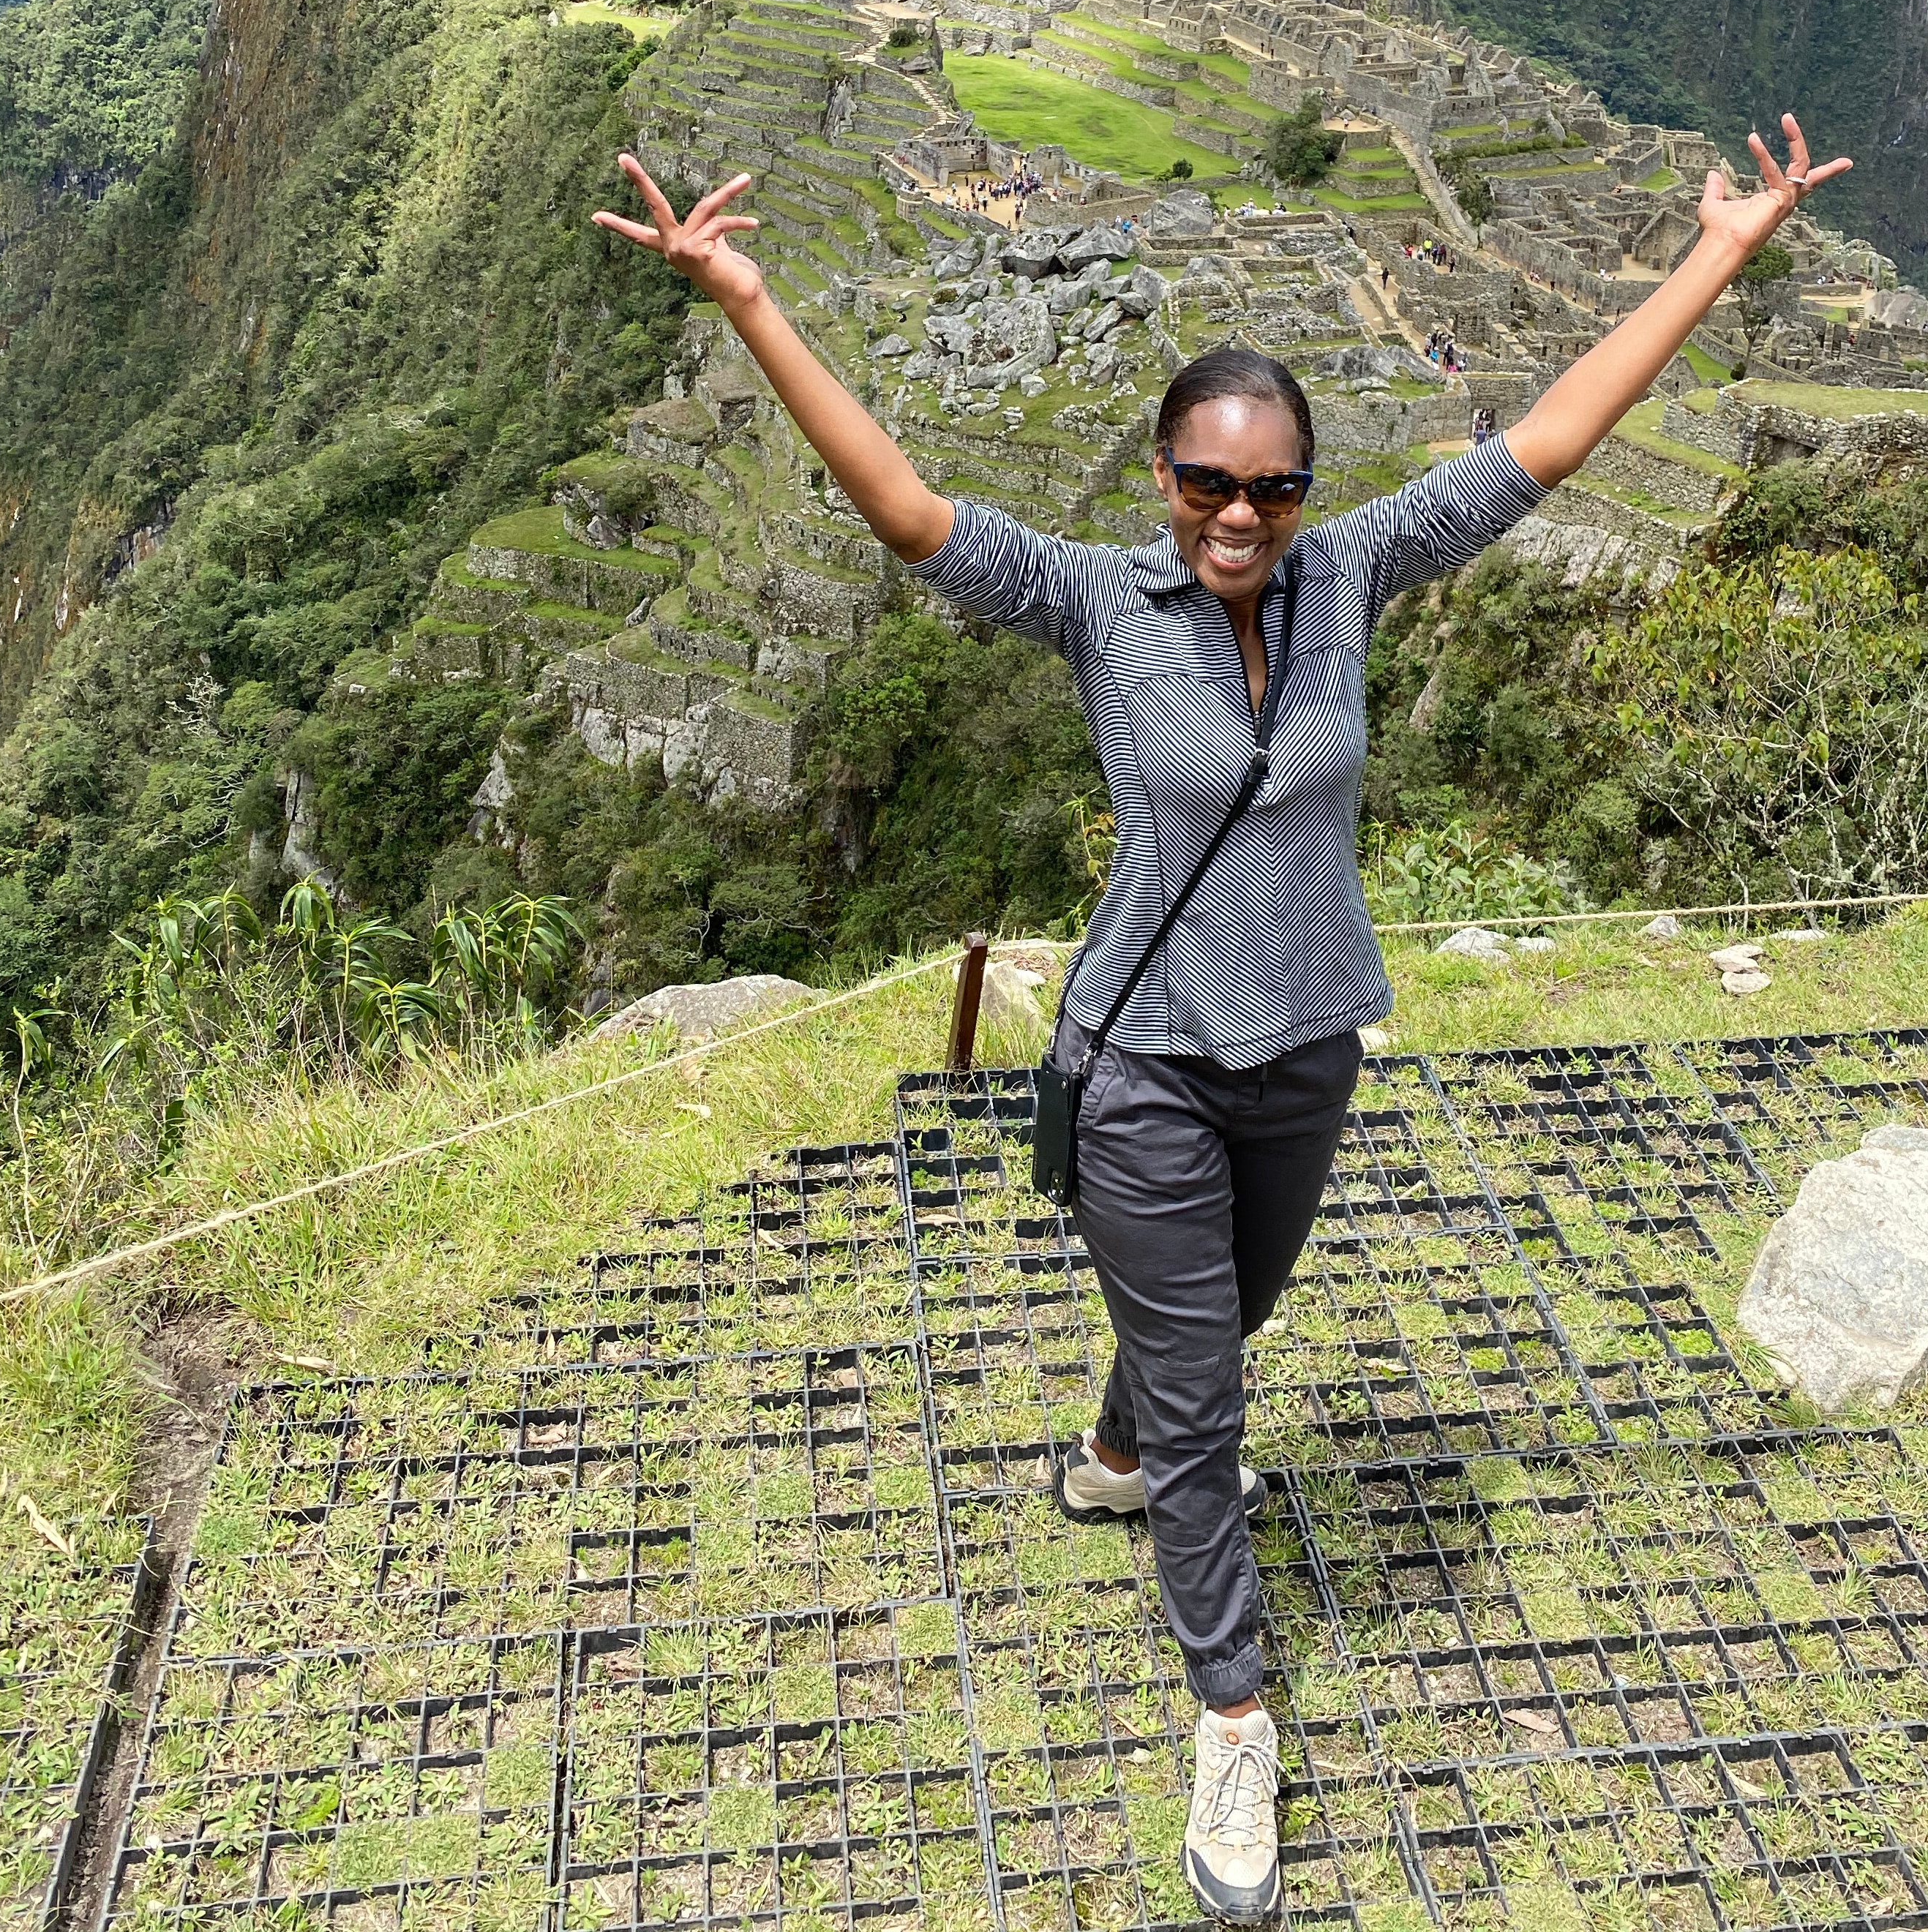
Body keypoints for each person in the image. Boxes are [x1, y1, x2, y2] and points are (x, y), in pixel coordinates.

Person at [593, 112, 1848, 1925]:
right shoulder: (1100, 606)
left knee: (1224, 1320)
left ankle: (1113, 1456)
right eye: (1204, 485)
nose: (1239, 519)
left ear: (1306, 491)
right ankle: (1234, 1719)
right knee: (1213, 1395)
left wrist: (1720, 255)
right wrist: (752, 303)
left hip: (1308, 1043)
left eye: (1268, 489)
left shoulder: (1360, 576)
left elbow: (1552, 446)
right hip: (1147, 1063)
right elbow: (907, 510)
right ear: (1163, 485)